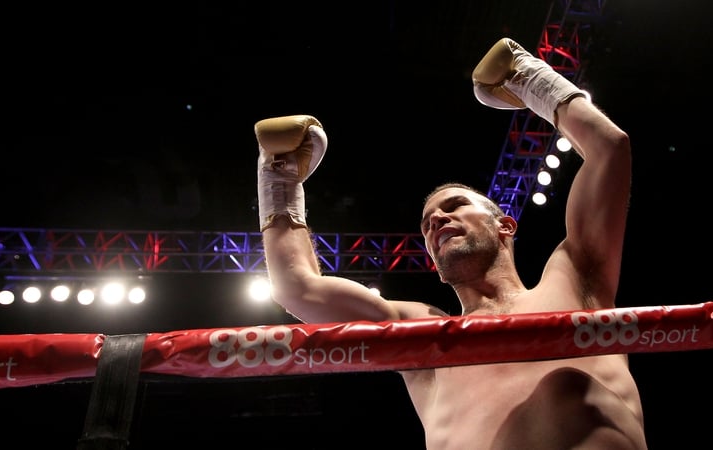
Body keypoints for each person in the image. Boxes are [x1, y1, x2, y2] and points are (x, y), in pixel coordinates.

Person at [254, 37, 646, 450]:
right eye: (426, 224)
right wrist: (279, 180)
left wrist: (531, 79)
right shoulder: (424, 337)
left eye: (455, 206)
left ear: (505, 225)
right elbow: (297, 289)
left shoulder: (573, 282)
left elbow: (608, 149)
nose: (437, 220)